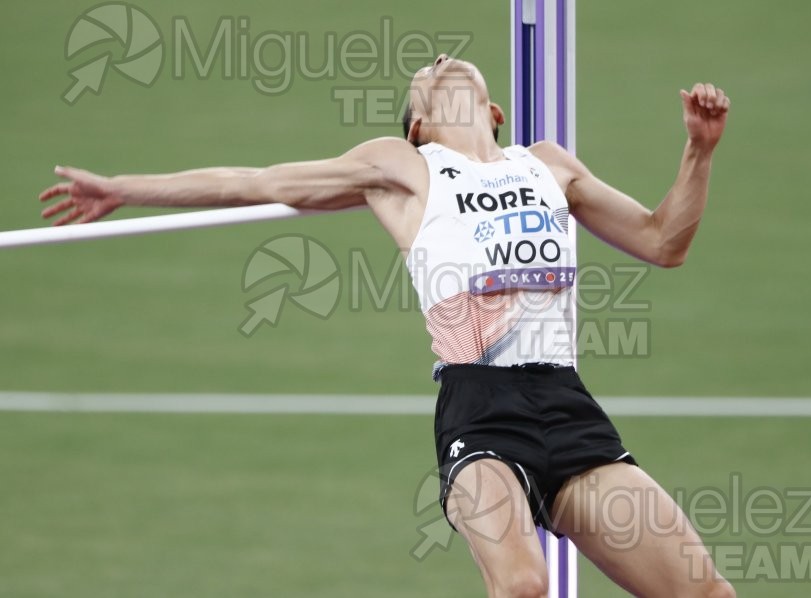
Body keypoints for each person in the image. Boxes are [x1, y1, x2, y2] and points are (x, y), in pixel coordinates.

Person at [40, 54, 734, 598]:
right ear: (418, 126)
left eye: (449, 64)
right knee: (524, 585)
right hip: (481, 413)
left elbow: (662, 240)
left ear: (493, 111)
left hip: (568, 405)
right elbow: (252, 180)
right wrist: (122, 188)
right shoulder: (402, 167)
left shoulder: (546, 164)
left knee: (704, 590)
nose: (440, 61)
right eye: (425, 76)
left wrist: (698, 151)